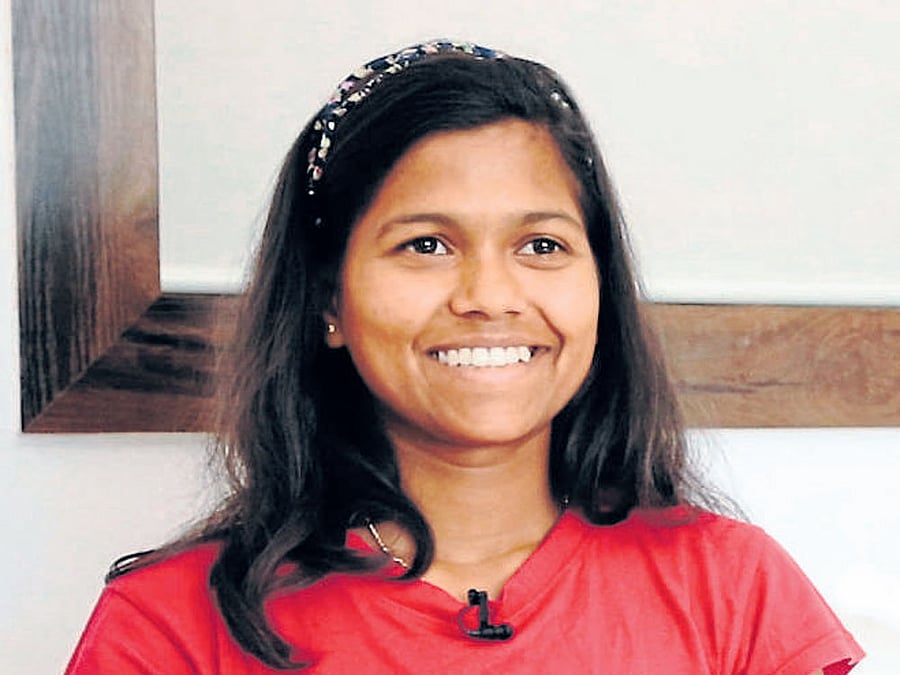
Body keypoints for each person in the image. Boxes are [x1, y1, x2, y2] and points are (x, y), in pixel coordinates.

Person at [66, 40, 864, 673]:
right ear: (328, 301)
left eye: (542, 243)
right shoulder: (168, 623)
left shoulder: (732, 584)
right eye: (426, 243)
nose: (490, 293)